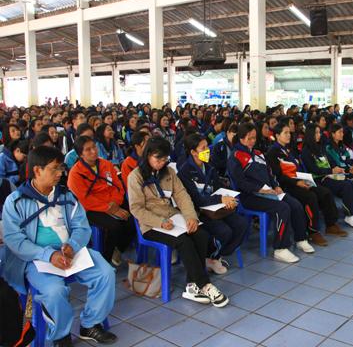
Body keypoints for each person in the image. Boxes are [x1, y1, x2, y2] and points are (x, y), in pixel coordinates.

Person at [2, 146, 117, 347]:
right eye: (54, 169)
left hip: (70, 251)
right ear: (37, 171)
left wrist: (72, 245)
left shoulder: (66, 196)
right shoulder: (16, 201)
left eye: (61, 168)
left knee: (106, 273)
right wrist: (48, 254)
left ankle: (89, 323)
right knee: (54, 291)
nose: (60, 174)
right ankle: (60, 334)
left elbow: (81, 226)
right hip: (37, 259)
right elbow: (15, 240)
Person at [128, 137, 229, 307]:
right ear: (147, 156)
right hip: (152, 224)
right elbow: (137, 209)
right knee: (184, 242)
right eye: (157, 159)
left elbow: (182, 196)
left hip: (173, 218)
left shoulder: (169, 173)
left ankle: (191, 286)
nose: (161, 163)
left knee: (201, 234)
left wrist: (191, 217)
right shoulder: (135, 177)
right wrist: (160, 222)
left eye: (164, 159)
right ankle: (204, 285)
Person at [227, 123, 310, 263]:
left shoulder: (258, 153)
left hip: (269, 192)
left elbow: (270, 174)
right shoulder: (235, 156)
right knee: (282, 208)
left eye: (254, 138)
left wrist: (276, 186)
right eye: (250, 138)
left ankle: (300, 238)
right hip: (250, 196)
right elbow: (240, 182)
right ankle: (280, 248)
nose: (253, 141)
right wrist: (259, 190)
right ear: (241, 138)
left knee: (294, 204)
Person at [178, 134, 248, 274]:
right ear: (193, 152)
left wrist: (228, 198)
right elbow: (197, 200)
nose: (207, 151)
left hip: (215, 208)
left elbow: (218, 188)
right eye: (203, 148)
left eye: (207, 147)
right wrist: (220, 199)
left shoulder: (209, 167)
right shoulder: (185, 172)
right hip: (200, 212)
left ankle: (217, 256)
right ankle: (212, 257)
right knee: (224, 231)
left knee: (241, 224)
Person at [266, 123, 347, 245]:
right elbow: (279, 176)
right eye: (285, 133)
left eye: (289, 133)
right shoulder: (273, 152)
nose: (289, 135)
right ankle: (313, 232)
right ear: (277, 135)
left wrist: (304, 179)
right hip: (287, 185)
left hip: (298, 180)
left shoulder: (288, 150)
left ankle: (331, 225)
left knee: (324, 192)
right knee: (310, 197)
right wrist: (297, 182)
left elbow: (296, 169)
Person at [67, 136, 134, 266]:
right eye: (88, 150)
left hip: (113, 201)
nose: (93, 151)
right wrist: (108, 208)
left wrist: (116, 202)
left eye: (94, 147)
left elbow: (118, 187)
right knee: (114, 226)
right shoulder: (75, 173)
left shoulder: (106, 164)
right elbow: (84, 200)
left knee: (134, 218)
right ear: (81, 154)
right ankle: (105, 260)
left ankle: (118, 249)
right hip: (92, 208)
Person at [302, 124, 353, 229]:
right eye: (316, 133)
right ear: (310, 134)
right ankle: (350, 216)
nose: (319, 135)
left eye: (319, 132)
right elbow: (313, 169)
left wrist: (336, 168)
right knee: (347, 186)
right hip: (320, 179)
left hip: (330, 175)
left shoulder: (320, 147)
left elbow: (330, 162)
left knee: (352, 184)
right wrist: (331, 170)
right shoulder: (306, 151)